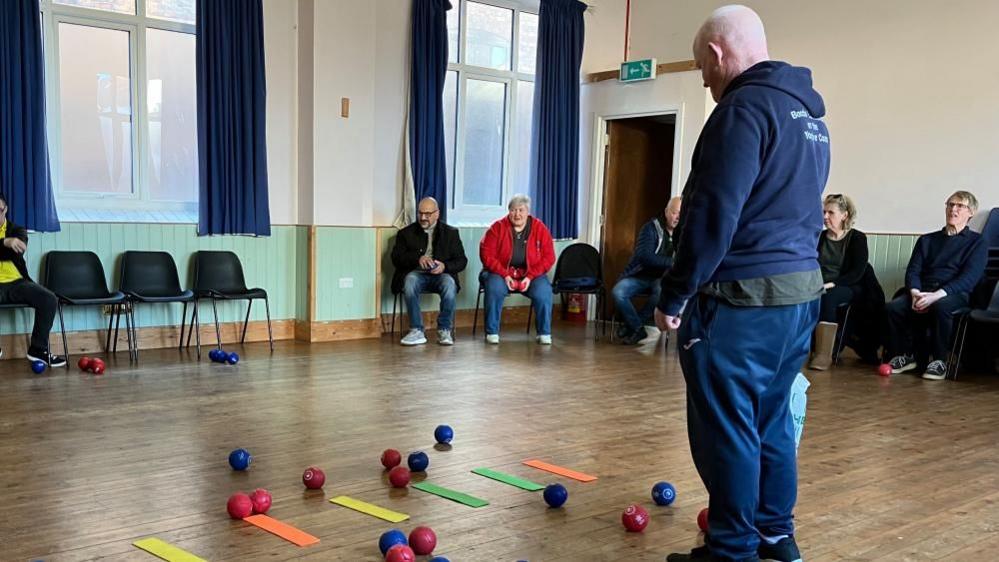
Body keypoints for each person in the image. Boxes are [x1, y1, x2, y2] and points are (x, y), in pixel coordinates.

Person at [655, 6, 829, 561]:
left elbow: (711, 215)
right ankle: (777, 539)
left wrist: (675, 293)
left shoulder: (741, 110)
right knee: (771, 420)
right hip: (799, 296)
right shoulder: (810, 117)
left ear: (716, 54)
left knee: (727, 426)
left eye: (704, 71)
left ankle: (731, 550)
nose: (706, 84)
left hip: (742, 303)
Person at [886, 190, 986, 380]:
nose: (953, 209)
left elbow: (969, 278)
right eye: (950, 204)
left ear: (971, 212)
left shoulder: (977, 242)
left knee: (941, 307)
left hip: (953, 293)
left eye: (960, 206)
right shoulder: (927, 240)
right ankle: (906, 355)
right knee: (894, 308)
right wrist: (915, 293)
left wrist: (936, 295)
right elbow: (913, 270)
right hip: (923, 289)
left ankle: (939, 361)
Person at [479, 194, 555, 344]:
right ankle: (492, 332)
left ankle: (544, 333)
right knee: (494, 287)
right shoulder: (497, 228)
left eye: (521, 210)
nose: (517, 214)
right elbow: (486, 254)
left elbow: (549, 257)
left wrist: (530, 276)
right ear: (509, 212)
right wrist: (505, 275)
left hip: (529, 275)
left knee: (544, 290)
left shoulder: (540, 228)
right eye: (513, 210)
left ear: (528, 212)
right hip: (500, 273)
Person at [390, 197, 467, 346]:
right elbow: (396, 258)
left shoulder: (451, 233)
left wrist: (445, 266)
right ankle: (416, 330)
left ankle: (444, 330)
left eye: (428, 214)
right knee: (410, 280)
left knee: (449, 284)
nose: (423, 217)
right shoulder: (405, 233)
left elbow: (462, 261)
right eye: (420, 213)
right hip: (417, 274)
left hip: (441, 275)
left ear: (437, 214)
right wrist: (417, 259)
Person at [0, 194, 66, 367]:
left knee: (49, 298)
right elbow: (7, 249)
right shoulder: (10, 238)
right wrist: (5, 243)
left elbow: (16, 252)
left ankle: (38, 349)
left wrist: (8, 244)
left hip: (17, 283)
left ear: (5, 209)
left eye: (0, 211)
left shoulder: (18, 231)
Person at [808, 193, 872, 370]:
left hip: (847, 285)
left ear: (845, 215)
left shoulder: (857, 238)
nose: (825, 217)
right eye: (823, 212)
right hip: (819, 283)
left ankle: (823, 354)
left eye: (830, 213)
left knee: (828, 297)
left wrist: (831, 284)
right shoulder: (819, 237)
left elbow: (857, 272)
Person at [612, 196, 681, 345]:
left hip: (664, 279)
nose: (678, 217)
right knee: (618, 292)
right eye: (675, 213)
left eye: (681, 214)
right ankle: (638, 328)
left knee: (661, 292)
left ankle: (634, 327)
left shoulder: (684, 234)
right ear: (666, 212)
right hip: (641, 274)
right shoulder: (650, 228)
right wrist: (673, 262)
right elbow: (645, 257)